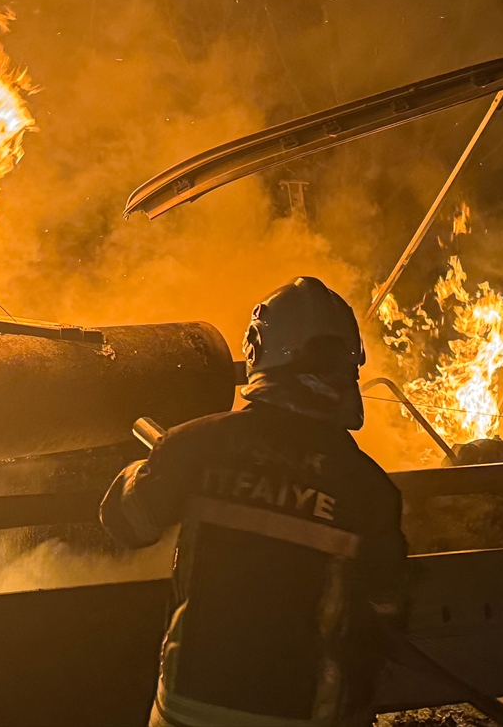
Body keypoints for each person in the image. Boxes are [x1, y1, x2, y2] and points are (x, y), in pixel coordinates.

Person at [101, 277, 407, 727]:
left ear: (257, 351)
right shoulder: (369, 487)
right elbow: (388, 606)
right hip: (306, 715)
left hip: (191, 709)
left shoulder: (196, 444)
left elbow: (128, 524)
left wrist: (144, 472)